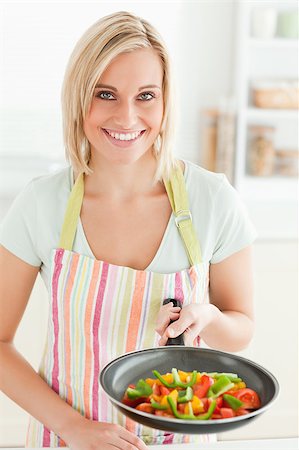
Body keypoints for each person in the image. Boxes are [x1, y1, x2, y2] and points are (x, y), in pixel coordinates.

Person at [0, 10, 257, 449]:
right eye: (106, 94)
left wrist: (209, 317)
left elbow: (242, 327)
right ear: (79, 97)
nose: (126, 117)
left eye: (145, 96)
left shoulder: (213, 200)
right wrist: (74, 428)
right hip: (69, 439)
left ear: (165, 100)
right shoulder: (40, 204)